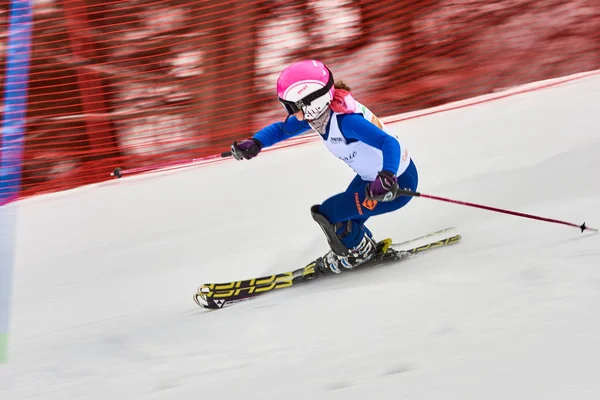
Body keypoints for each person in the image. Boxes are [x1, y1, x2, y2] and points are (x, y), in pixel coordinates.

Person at [230, 59, 418, 275]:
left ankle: (357, 251)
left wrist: (387, 176)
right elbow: (281, 130)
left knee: (329, 212)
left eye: (291, 107)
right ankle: (359, 246)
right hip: (374, 178)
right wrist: (256, 143)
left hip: (395, 184)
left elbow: (389, 143)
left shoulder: (347, 122)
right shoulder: (322, 114)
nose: (290, 113)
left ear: (312, 103)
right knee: (343, 215)